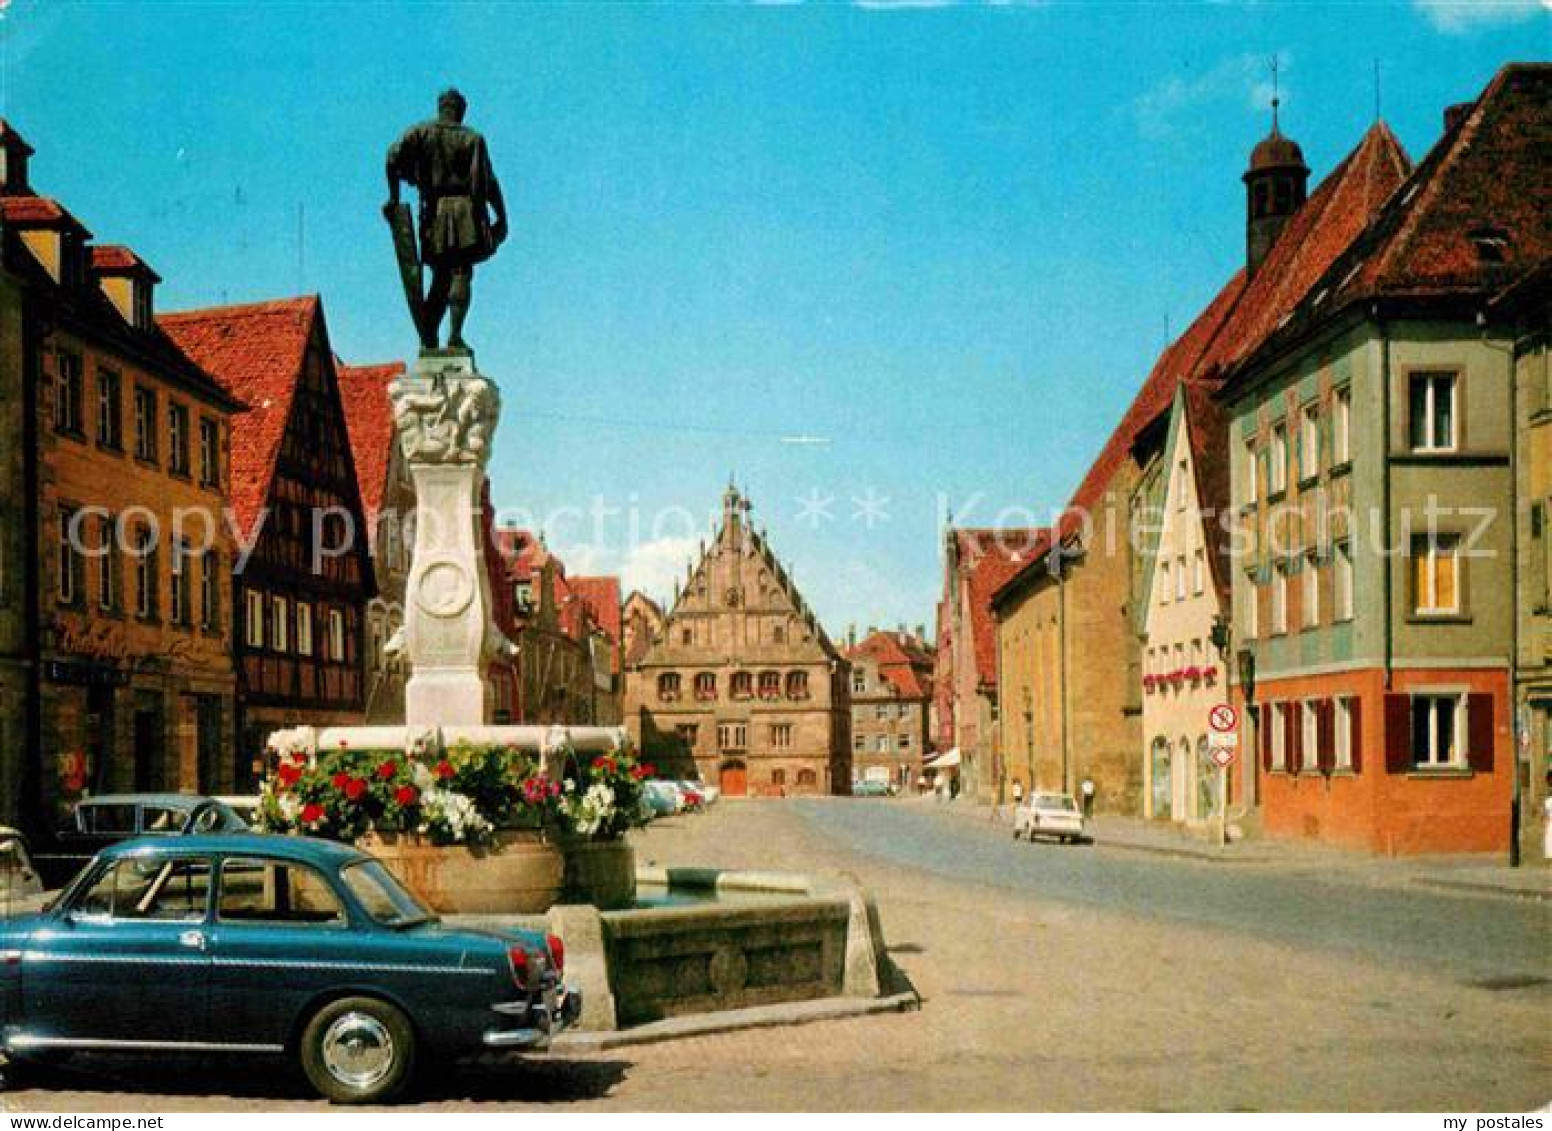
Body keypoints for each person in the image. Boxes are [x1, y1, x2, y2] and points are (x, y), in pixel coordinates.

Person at [385, 88, 509, 351]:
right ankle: (454, 336)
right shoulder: (473, 139)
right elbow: (488, 182)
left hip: (435, 213)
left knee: (440, 278)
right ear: (461, 111)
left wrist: (393, 198)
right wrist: (502, 216)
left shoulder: (420, 132)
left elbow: (391, 158)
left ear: (441, 108)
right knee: (460, 272)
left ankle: (428, 337)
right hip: (466, 212)